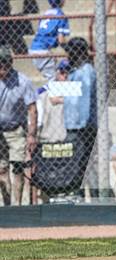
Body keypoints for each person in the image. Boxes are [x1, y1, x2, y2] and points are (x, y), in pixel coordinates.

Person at [0, 46, 38, 205]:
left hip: (16, 130)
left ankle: (17, 205)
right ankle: (7, 205)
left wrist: (31, 134)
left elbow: (32, 109)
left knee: (17, 168)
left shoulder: (23, 81)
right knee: (2, 170)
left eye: (5, 65)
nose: (2, 70)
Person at [62, 37, 97, 199]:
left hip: (82, 128)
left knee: (81, 162)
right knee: (75, 162)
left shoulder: (86, 71)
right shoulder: (75, 72)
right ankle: (78, 194)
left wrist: (82, 126)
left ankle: (84, 195)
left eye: (71, 52)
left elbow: (85, 101)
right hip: (73, 125)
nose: (68, 56)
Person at [30, 0, 70, 81]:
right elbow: (61, 40)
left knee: (55, 77)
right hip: (42, 51)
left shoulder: (47, 13)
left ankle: (39, 92)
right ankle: (38, 93)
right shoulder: (60, 15)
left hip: (34, 48)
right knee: (55, 81)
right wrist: (70, 51)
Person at [36, 59, 70, 143]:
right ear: (57, 73)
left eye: (68, 72)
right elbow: (37, 93)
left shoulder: (75, 86)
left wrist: (61, 100)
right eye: (62, 72)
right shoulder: (49, 86)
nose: (65, 75)